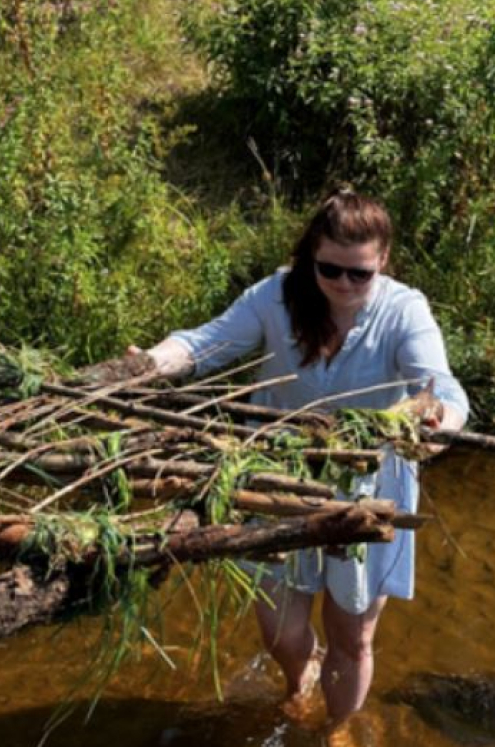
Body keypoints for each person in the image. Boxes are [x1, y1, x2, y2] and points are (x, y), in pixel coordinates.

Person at [133, 190, 468, 730]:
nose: (342, 284)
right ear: (311, 255)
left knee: (352, 638)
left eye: (359, 274)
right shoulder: (277, 296)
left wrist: (438, 423)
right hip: (275, 483)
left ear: (382, 260)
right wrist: (151, 363)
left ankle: (335, 730)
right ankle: (298, 681)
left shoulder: (405, 310)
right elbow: (208, 344)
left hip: (366, 491)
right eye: (329, 269)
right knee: (280, 634)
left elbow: (443, 389)